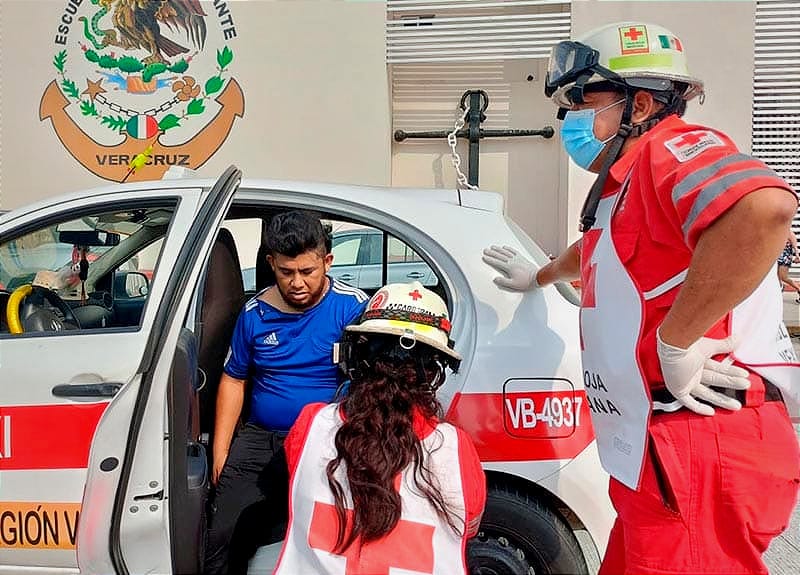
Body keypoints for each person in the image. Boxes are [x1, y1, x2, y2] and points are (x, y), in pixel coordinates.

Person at [483, 22, 800, 575]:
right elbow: (604, 247)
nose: (571, 118)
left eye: (584, 99)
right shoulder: (624, 187)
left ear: (642, 103)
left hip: (697, 438)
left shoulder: (668, 151)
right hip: (658, 445)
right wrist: (541, 273)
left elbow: (762, 209)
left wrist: (676, 342)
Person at [273, 282, 486, 575]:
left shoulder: (311, 426)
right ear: (435, 372)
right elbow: (468, 526)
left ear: (360, 359)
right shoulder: (455, 450)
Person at [205, 210, 368, 575]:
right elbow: (234, 378)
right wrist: (221, 450)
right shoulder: (254, 313)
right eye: (286, 272)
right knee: (222, 537)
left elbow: (369, 383)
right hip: (261, 439)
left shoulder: (352, 307)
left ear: (327, 261)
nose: (297, 283)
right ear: (271, 264)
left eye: (307, 272)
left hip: (327, 441)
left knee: (328, 539)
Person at [777, 229, 800, 302]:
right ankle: (779, 289)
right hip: (778, 257)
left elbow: (795, 247)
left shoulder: (789, 233)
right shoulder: (778, 232)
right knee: (777, 276)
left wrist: (797, 256)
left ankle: (799, 289)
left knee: (783, 277)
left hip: (785, 257)